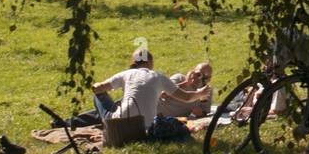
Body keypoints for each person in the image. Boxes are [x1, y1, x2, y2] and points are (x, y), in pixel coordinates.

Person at [73, 47, 209, 132]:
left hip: (119, 126)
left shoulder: (126, 74)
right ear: (150, 63)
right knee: (118, 104)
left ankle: (72, 122)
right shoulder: (159, 77)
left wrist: (95, 84)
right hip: (145, 129)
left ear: (133, 62)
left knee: (99, 96)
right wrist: (200, 93)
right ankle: (70, 122)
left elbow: (99, 88)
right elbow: (186, 97)